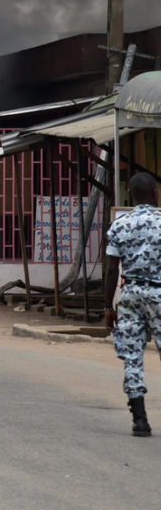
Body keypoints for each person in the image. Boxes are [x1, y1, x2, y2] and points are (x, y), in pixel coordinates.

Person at [105, 172, 161, 437]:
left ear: (131, 194)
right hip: (159, 295)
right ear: (154, 193)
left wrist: (108, 307)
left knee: (132, 358)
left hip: (129, 294)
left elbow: (111, 268)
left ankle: (139, 419)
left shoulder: (119, 225)